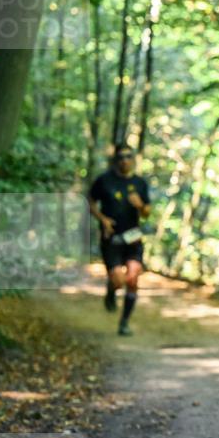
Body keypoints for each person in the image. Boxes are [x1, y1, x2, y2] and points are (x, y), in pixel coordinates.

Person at [89, 144, 151, 336]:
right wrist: (103, 219)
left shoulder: (140, 183)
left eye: (128, 156)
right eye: (121, 157)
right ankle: (111, 288)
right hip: (112, 238)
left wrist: (140, 206)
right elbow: (90, 202)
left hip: (133, 237)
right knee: (118, 280)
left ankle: (124, 323)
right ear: (116, 160)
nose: (125, 160)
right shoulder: (104, 180)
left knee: (132, 278)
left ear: (133, 159)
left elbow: (147, 213)